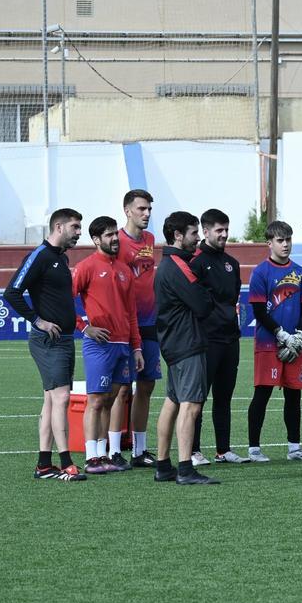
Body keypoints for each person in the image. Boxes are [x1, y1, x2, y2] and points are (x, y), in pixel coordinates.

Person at [4, 208, 84, 481]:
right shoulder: (39, 256)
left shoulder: (61, 258)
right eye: (74, 227)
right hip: (48, 340)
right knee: (61, 398)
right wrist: (37, 321)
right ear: (59, 227)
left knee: (51, 400)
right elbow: (11, 292)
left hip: (63, 339)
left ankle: (44, 464)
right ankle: (66, 464)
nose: (78, 232)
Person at [72, 216, 143, 474]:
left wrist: (136, 347)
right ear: (96, 239)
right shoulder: (86, 267)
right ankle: (91, 457)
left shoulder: (124, 270)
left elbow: (131, 313)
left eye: (116, 234)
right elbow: (64, 301)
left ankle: (103, 454)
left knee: (112, 399)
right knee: (96, 400)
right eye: (109, 235)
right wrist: (84, 327)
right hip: (98, 345)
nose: (115, 239)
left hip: (123, 346)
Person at [153, 211, 219, 485]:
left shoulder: (167, 264)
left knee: (173, 402)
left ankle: (163, 464)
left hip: (173, 342)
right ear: (178, 236)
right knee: (191, 406)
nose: (198, 238)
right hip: (186, 343)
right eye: (193, 233)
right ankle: (184, 467)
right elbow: (202, 304)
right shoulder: (178, 265)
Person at [246, 220, 302, 463]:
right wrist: (280, 334)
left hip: (294, 344)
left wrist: (298, 334)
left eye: (288, 239)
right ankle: (254, 449)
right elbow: (258, 311)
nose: (285, 244)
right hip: (268, 343)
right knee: (262, 394)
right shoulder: (260, 272)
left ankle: (294, 448)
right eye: (280, 240)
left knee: (294, 396)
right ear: (269, 243)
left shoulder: (300, 272)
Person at [189, 209, 246, 465]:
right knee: (198, 397)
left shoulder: (231, 264)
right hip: (206, 340)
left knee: (224, 397)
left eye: (226, 229)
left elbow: (232, 299)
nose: (224, 235)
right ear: (206, 231)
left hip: (230, 339)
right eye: (218, 230)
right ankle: (193, 450)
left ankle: (224, 450)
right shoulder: (196, 262)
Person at [114, 189, 159, 468]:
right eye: (141, 209)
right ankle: (114, 450)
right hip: (125, 326)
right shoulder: (116, 241)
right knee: (120, 390)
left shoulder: (151, 240)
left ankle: (140, 450)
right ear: (128, 210)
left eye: (149, 209)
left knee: (147, 386)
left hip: (150, 323)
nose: (146, 214)